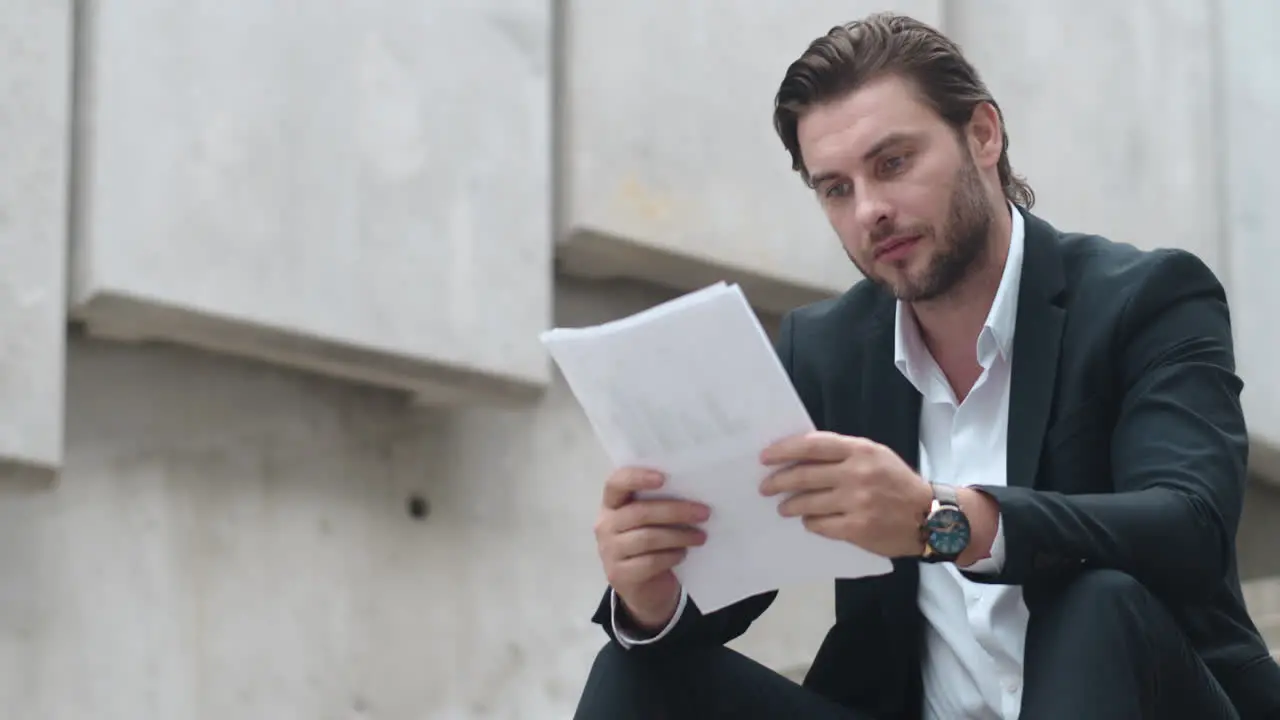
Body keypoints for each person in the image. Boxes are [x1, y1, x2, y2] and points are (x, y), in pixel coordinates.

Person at [573, 12, 1280, 720]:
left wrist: (941, 520)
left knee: (1100, 600)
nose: (870, 211)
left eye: (892, 163)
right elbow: (739, 575)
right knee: (637, 677)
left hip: (1138, 694)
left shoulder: (1147, 299)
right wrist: (654, 596)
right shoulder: (825, 350)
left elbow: (1187, 528)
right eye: (836, 189)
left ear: (982, 135)